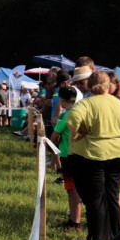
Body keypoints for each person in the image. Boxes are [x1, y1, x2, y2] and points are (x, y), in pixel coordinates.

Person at [66, 71, 120, 240]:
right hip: (118, 154)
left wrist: (77, 135)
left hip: (92, 154)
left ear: (90, 84)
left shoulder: (86, 103)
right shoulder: (119, 103)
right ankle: (115, 235)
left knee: (95, 197)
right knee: (112, 195)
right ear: (108, 85)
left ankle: (98, 237)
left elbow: (71, 119)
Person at [52, 87, 83, 230]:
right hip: (81, 154)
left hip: (67, 155)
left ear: (62, 100)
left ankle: (74, 221)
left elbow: (54, 136)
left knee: (72, 190)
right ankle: (75, 218)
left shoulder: (66, 115)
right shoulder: (80, 111)